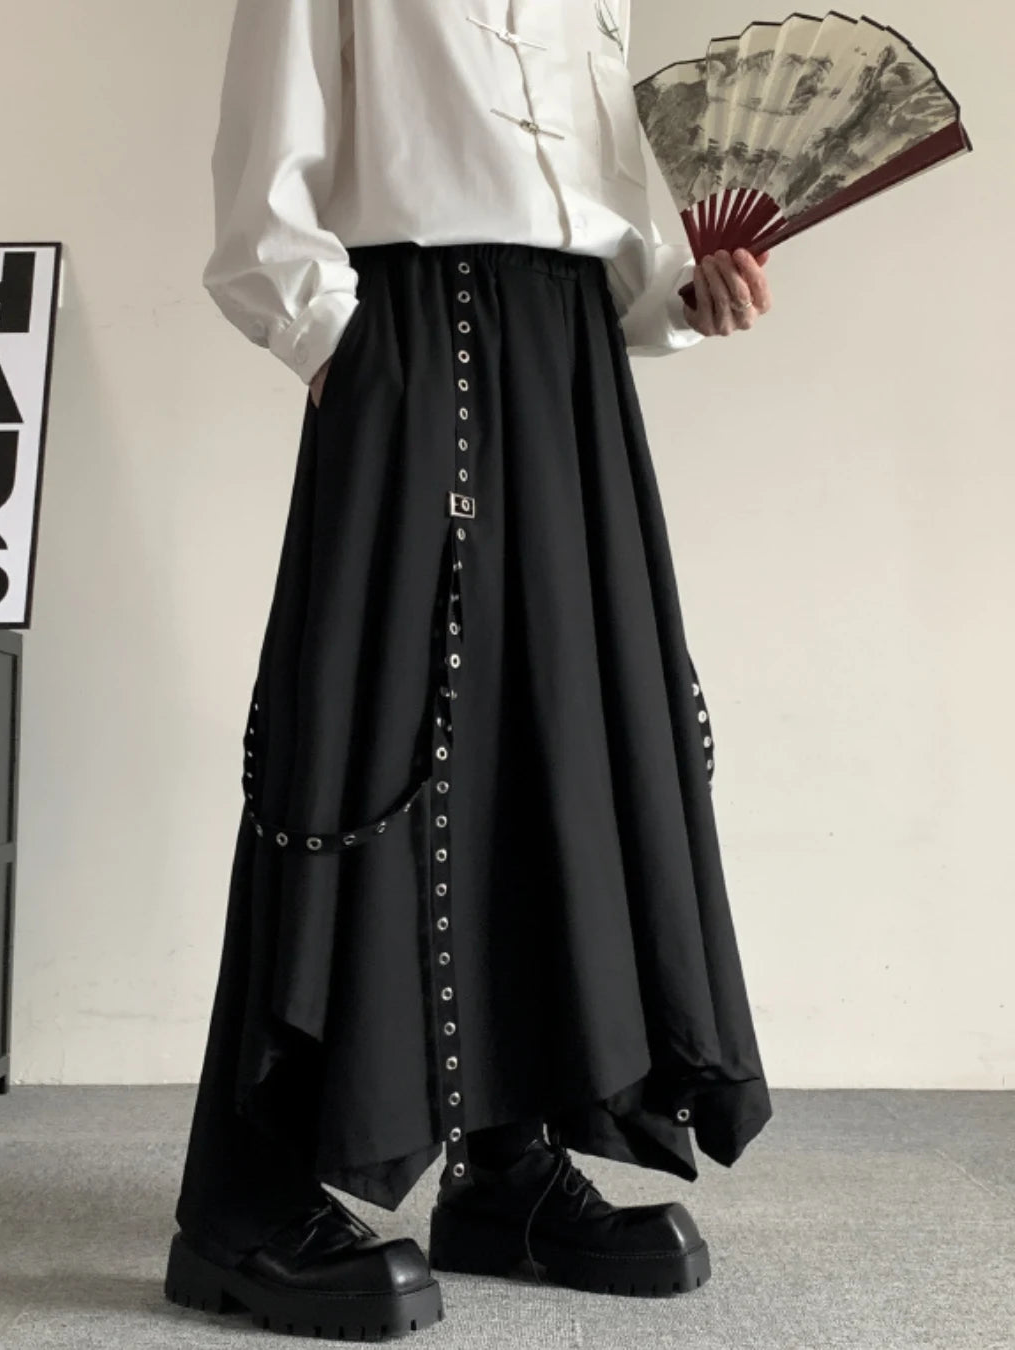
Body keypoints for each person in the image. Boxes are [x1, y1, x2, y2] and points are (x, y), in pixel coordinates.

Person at [165, 1, 774, 1339]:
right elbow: (266, 161)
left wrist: (679, 289)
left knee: (555, 733)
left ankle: (506, 1170)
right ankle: (240, 1203)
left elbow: (595, 185)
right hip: (410, 325)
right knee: (366, 731)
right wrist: (346, 348)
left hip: (572, 353)